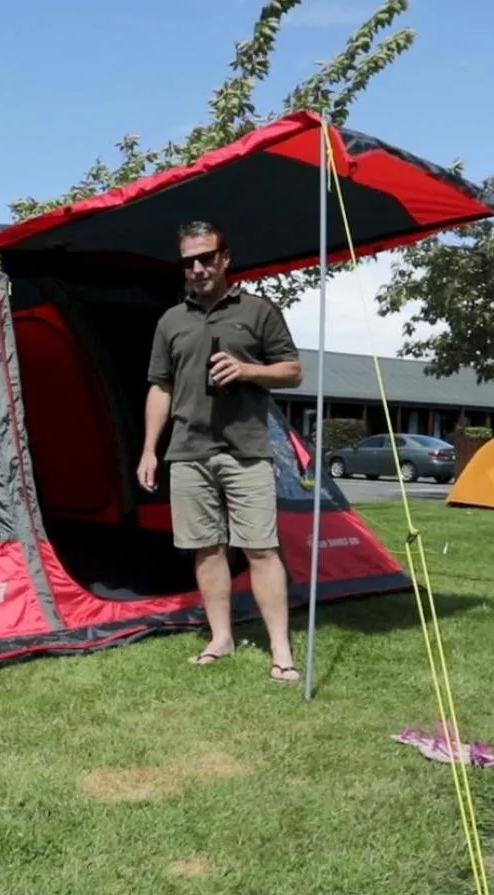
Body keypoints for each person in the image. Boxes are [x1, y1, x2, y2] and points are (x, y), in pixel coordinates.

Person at [137, 221, 304, 682]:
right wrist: (150, 449)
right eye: (189, 261)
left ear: (224, 258)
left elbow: (292, 372)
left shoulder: (257, 311)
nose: (197, 268)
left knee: (261, 550)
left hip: (246, 450)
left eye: (206, 258)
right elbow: (160, 387)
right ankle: (221, 639)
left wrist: (248, 370)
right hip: (188, 452)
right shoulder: (171, 320)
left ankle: (281, 651)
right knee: (205, 549)